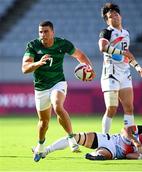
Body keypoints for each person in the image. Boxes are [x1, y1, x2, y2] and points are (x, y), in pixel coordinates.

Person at [21, 20, 95, 162]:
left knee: (58, 106)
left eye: (46, 31)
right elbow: (25, 68)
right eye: (41, 32)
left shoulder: (62, 44)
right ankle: (41, 145)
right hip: (41, 87)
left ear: (53, 32)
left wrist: (89, 69)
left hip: (58, 83)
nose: (43, 35)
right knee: (44, 122)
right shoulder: (33, 45)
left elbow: (80, 56)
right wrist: (38, 62)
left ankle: (71, 138)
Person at [98, 3, 142, 144]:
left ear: (121, 16)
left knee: (129, 107)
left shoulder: (126, 33)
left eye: (116, 14)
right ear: (107, 20)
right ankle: (104, 139)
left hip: (125, 73)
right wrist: (121, 52)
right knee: (112, 108)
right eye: (110, 16)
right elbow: (103, 47)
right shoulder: (106, 32)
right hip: (110, 73)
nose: (114, 17)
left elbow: (127, 55)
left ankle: (129, 138)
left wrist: (137, 67)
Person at [35, 125, 142, 160]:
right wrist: (135, 141)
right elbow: (125, 130)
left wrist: (140, 157)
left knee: (103, 156)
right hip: (110, 139)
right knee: (74, 137)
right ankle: (46, 150)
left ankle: (95, 154)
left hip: (114, 152)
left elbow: (128, 156)